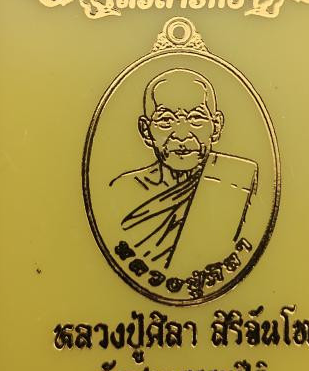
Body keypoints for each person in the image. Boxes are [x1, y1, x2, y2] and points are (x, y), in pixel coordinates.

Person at [110, 68, 257, 270]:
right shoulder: (121, 190)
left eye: (196, 119)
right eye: (165, 120)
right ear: (145, 130)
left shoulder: (238, 182)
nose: (181, 135)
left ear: (216, 126)